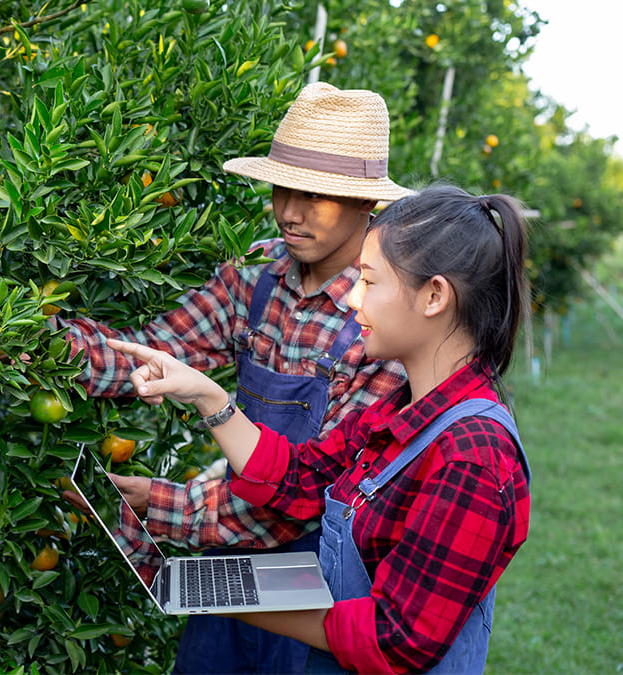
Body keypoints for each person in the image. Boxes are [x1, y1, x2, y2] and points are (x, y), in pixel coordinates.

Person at [55, 82, 409, 673]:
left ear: (363, 203)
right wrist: (36, 341)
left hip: (319, 585)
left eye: (314, 196)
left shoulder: (383, 321)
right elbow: (156, 351)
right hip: (232, 570)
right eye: (282, 188)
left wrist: (162, 503)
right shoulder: (258, 277)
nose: (289, 211)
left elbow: (314, 491)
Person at [105, 185, 532, 673]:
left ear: (434, 295)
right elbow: (301, 478)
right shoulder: (400, 410)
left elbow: (396, 638)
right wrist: (210, 397)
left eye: (370, 282)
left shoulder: (472, 456)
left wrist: (214, 596)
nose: (352, 299)